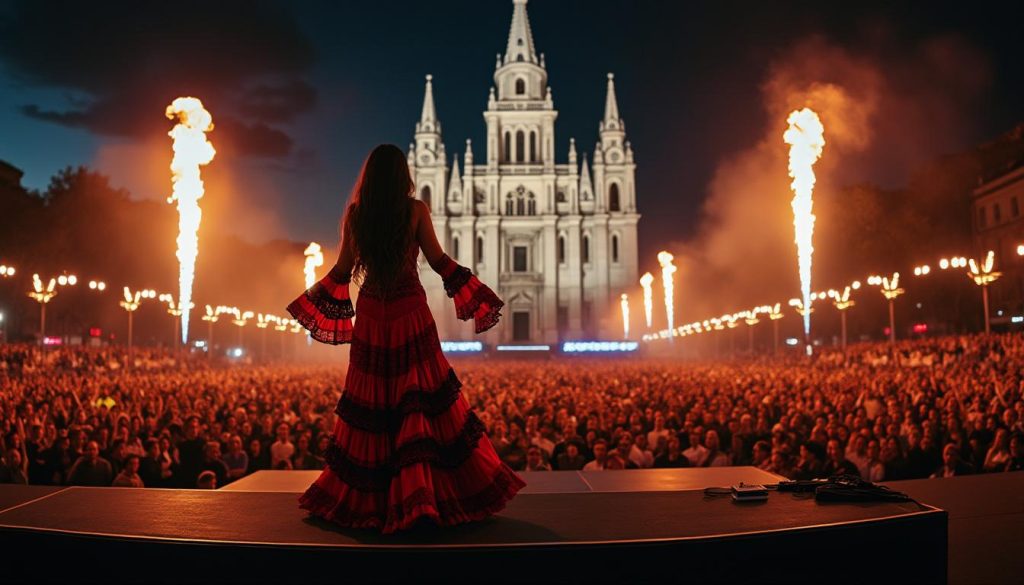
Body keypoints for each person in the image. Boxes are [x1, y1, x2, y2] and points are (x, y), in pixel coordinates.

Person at [286, 144, 525, 533]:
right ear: (403, 176)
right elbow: (437, 260)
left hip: (373, 316)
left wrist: (312, 301)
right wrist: (474, 291)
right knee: (421, 396)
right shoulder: (415, 211)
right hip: (410, 312)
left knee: (373, 401)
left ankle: (372, 499)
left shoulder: (356, 215)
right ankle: (422, 493)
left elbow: (343, 270)